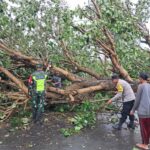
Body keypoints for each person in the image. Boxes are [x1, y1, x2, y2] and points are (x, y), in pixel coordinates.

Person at [130, 73, 150, 150]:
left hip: (143, 111)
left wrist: (133, 110)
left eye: (139, 78)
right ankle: (147, 143)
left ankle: (145, 144)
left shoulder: (141, 86)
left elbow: (137, 100)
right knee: (148, 127)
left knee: (144, 128)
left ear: (141, 78)